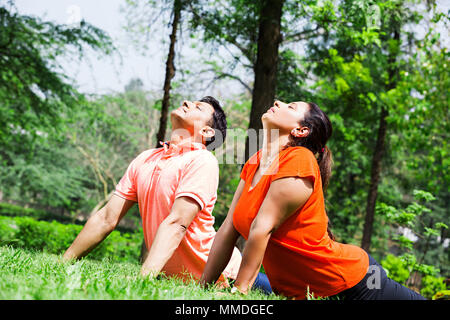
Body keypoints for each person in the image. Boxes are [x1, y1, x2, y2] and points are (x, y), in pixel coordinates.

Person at [200, 100, 425, 300]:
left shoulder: (299, 160)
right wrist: (203, 288)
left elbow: (262, 228)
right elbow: (227, 230)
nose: (278, 102)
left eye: (291, 106)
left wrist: (239, 293)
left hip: (355, 283)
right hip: (302, 291)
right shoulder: (255, 162)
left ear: (301, 130)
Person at [63, 96, 250, 288]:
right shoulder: (146, 159)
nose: (186, 102)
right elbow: (106, 218)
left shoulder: (202, 160)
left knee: (276, 290)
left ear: (207, 131)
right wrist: (63, 263)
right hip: (173, 278)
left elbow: (177, 223)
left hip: (226, 275)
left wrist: (143, 278)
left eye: (198, 107)